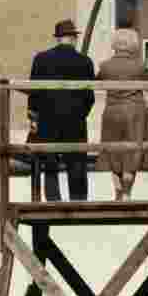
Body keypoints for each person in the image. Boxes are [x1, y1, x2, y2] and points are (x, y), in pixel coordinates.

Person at [29, 19, 96, 201]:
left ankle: (53, 199)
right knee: (76, 162)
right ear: (74, 38)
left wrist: (34, 116)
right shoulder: (85, 62)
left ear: (57, 38)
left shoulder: (40, 59)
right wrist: (80, 114)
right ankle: (78, 200)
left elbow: (34, 93)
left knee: (50, 161)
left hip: (47, 119)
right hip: (75, 120)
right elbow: (90, 97)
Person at [97, 28, 148, 201]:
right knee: (133, 152)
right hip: (134, 111)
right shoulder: (139, 66)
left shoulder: (105, 66)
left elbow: (97, 80)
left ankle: (116, 191)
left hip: (112, 111)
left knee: (112, 150)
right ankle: (127, 192)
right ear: (133, 44)